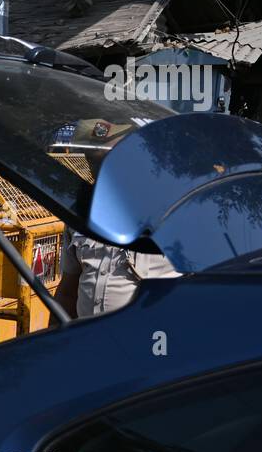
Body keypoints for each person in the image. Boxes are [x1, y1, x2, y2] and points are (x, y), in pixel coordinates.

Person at [52, 119, 181, 319]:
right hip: (91, 342)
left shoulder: (173, 210)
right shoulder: (81, 212)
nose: (101, 168)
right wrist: (56, 340)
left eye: (111, 158)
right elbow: (68, 291)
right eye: (93, 159)